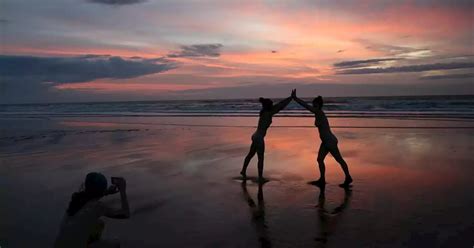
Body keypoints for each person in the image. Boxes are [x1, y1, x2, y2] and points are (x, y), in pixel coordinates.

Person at [292, 90, 353, 187]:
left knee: (339, 159)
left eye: (314, 104)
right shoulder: (318, 113)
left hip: (329, 141)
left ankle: (348, 177)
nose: (313, 105)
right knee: (320, 159)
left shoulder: (319, 112)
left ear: (318, 105)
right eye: (313, 104)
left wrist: (295, 99)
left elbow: (306, 106)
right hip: (325, 142)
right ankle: (322, 179)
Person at [54, 172, 130, 248]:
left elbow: (91, 195)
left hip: (60, 244)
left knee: (99, 223)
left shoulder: (76, 198)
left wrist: (107, 192)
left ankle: (89, 241)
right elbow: (125, 214)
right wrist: (122, 190)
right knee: (116, 243)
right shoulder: (97, 207)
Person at [240, 91, 294, 182]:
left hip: (255, 136)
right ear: (269, 106)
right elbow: (281, 105)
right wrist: (291, 97)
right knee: (260, 158)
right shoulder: (268, 113)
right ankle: (260, 177)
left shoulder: (263, 112)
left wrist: (290, 97)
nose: (273, 106)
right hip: (259, 138)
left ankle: (243, 170)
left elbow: (280, 105)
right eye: (272, 105)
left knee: (251, 155)